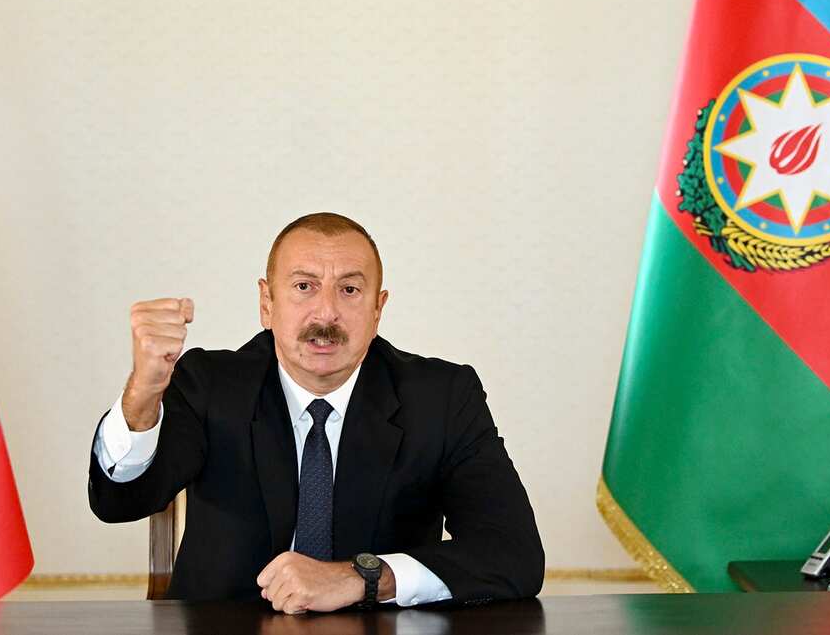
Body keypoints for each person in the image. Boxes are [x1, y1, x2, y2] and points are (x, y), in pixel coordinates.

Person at [88, 212, 544, 613]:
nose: (326, 313)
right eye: (304, 287)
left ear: (378, 308)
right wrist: (143, 394)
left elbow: (513, 554)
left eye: (349, 290)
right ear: (267, 303)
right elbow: (119, 502)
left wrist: (365, 578)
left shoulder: (441, 397)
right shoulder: (210, 384)